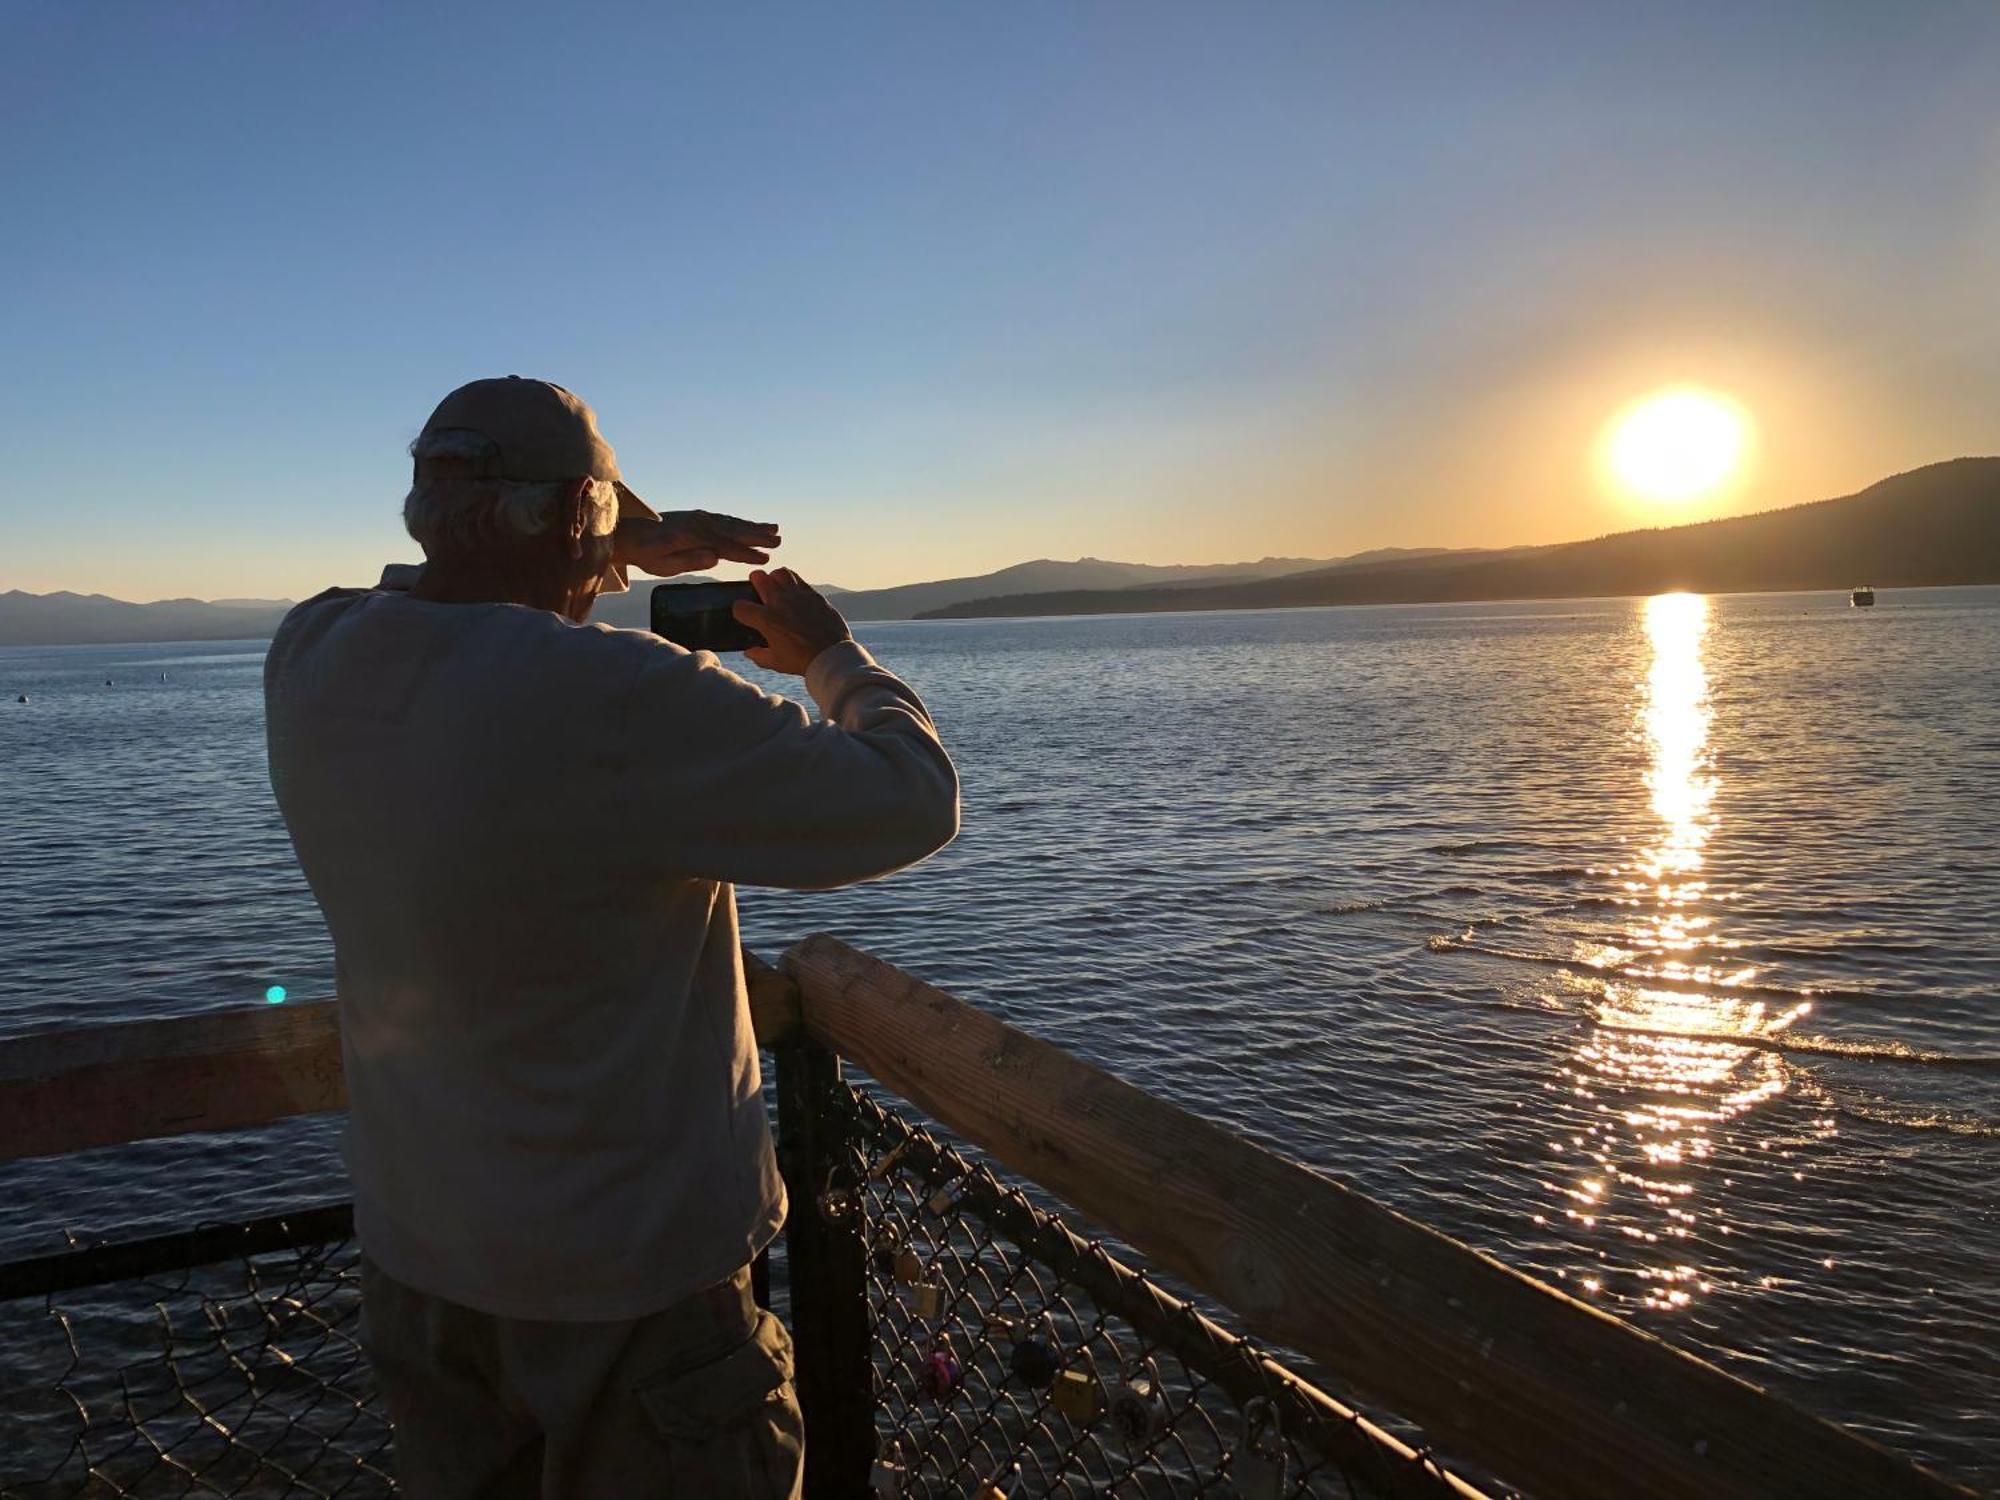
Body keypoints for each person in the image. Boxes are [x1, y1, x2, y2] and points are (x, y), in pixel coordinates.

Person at [264, 376, 959, 1498]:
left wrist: (608, 526)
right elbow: (912, 798)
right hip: (631, 1295)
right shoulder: (616, 692)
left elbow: (479, 581)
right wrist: (834, 658)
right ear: (576, 514)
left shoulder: (311, 653)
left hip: (427, 1271)